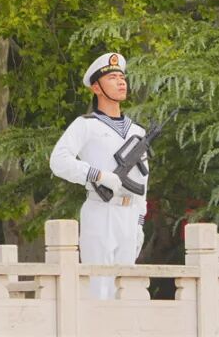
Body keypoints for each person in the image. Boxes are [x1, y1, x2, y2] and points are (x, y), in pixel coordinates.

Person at [49, 52, 147, 300]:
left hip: (130, 212)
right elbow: (58, 160)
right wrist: (97, 175)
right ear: (97, 87)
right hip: (100, 209)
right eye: (113, 77)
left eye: (122, 77)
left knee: (127, 290)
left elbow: (145, 181)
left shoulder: (137, 130)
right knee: (99, 288)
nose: (121, 81)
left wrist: (139, 223)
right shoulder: (86, 125)